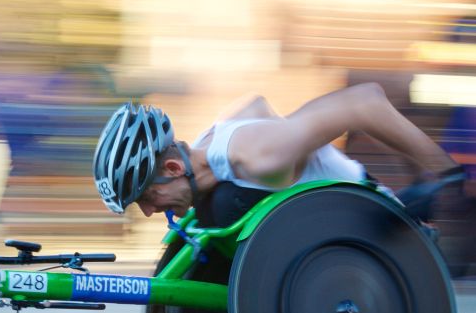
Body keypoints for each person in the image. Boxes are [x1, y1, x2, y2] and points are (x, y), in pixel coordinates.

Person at [93, 83, 466, 227]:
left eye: (145, 196)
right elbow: (254, 102)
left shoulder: (259, 157)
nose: (147, 211)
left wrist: (441, 176)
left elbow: (364, 102)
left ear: (174, 167)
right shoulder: (213, 141)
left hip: (371, 227)